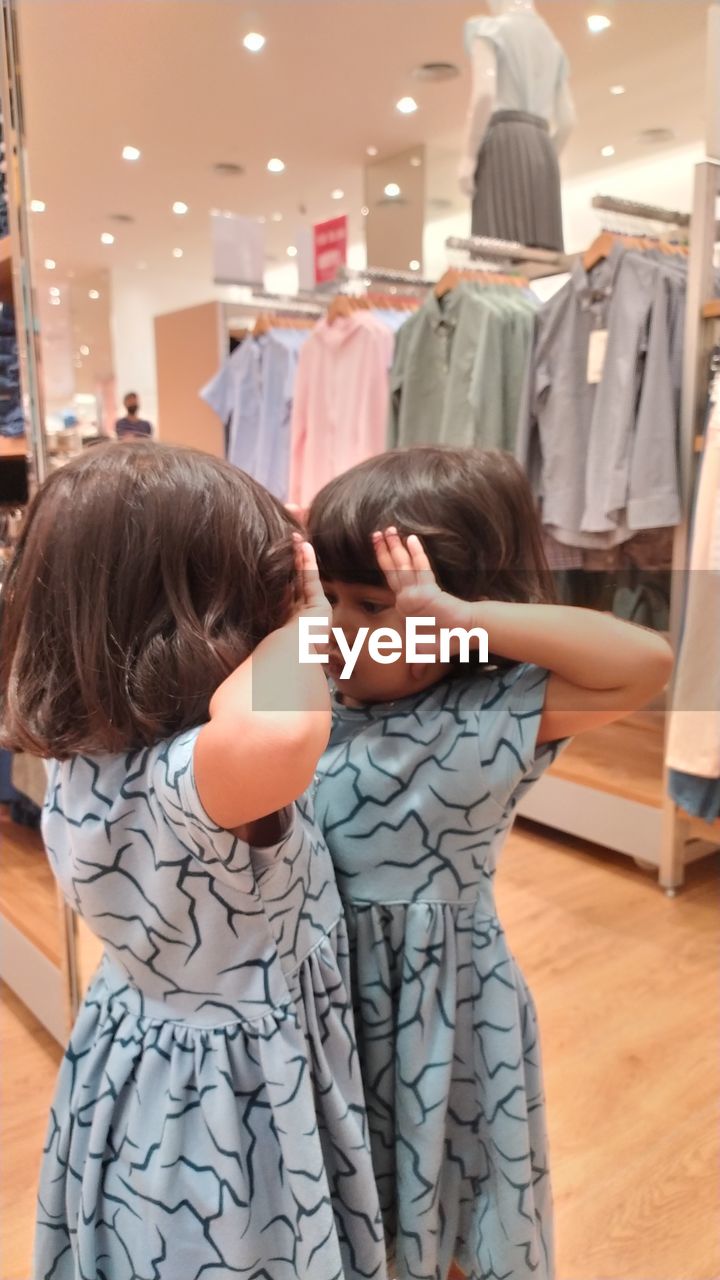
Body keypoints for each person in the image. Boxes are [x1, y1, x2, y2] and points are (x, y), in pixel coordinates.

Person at [0, 443, 387, 1280]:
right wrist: (308, 626)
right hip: (228, 1091)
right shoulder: (198, 779)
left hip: (135, 1045)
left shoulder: (84, 752)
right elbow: (281, 729)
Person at [307, 447, 674, 1280]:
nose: (341, 631)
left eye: (373, 606)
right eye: (332, 601)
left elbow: (645, 662)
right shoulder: (309, 695)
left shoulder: (496, 711)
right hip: (323, 998)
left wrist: (454, 613)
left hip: (447, 1007)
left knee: (456, 1197)